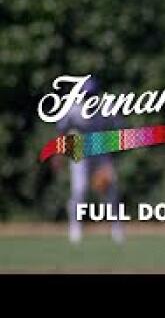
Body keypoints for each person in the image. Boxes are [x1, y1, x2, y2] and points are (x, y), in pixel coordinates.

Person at [51, 75, 126, 244]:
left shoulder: (106, 106)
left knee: (111, 189)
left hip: (100, 149)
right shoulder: (73, 109)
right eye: (86, 95)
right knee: (80, 190)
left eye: (91, 95)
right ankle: (75, 228)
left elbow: (118, 127)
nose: (88, 98)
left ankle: (117, 229)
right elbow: (62, 131)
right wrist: (57, 154)